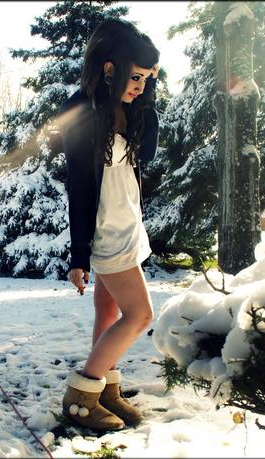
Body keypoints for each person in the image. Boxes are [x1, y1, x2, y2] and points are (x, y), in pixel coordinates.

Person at [57, 18, 160, 431]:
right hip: (108, 231)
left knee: (110, 308)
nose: (141, 86)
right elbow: (79, 186)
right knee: (140, 315)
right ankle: (81, 396)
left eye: (148, 78)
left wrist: (145, 95)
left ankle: (105, 390)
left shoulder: (127, 109)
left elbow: (147, 154)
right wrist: (79, 254)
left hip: (127, 223)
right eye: (136, 77)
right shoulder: (83, 113)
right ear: (109, 68)